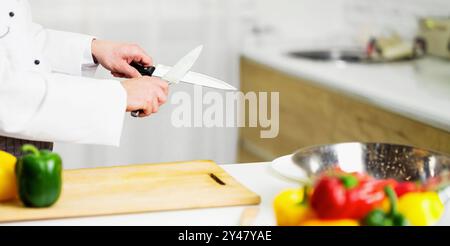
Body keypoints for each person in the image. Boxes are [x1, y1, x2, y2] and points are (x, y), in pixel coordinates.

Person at [0, 0, 168, 156]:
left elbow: (14, 35)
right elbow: (5, 95)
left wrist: (90, 50)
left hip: (27, 152)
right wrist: (118, 96)